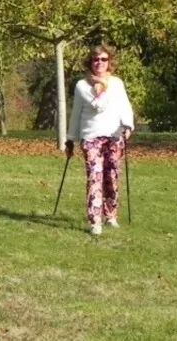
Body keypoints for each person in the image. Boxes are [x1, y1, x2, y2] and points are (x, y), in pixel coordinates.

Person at [66, 45, 134, 235]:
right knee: (95, 177)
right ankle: (95, 220)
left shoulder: (117, 83)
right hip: (91, 136)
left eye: (104, 59)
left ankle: (110, 215)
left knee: (112, 176)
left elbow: (124, 106)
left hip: (113, 135)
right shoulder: (82, 86)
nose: (100, 63)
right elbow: (94, 107)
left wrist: (128, 126)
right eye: (96, 60)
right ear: (90, 62)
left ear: (109, 62)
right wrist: (70, 138)